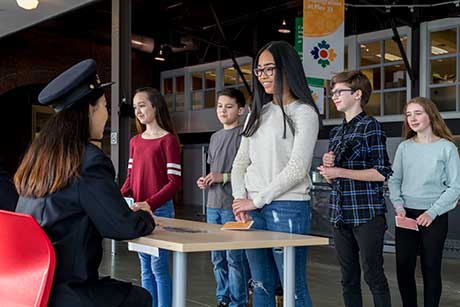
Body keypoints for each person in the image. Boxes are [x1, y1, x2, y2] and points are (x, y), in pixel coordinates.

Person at [14, 59, 155, 307]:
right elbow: (122, 227)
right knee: (139, 299)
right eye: (103, 106)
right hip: (66, 290)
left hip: (29, 285)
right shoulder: (88, 161)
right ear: (88, 110)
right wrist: (145, 216)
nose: (106, 114)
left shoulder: (38, 157)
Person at [231, 40, 320, 307]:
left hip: (289, 208)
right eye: (259, 70)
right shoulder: (256, 114)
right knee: (260, 286)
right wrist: (239, 201)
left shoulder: (304, 113)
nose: (263, 76)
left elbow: (297, 169)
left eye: (270, 69)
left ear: (287, 68)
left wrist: (256, 201)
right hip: (251, 209)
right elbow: (239, 164)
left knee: (293, 289)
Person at [317, 70, 392, 307]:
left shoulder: (371, 127)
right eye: (333, 93)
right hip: (340, 215)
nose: (334, 97)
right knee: (348, 279)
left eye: (340, 92)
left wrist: (339, 171)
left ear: (357, 94)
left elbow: (381, 173)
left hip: (367, 215)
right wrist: (329, 170)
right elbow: (333, 180)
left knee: (373, 276)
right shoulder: (337, 132)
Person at [388, 97, 460, 307]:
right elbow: (395, 179)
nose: (413, 118)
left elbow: (455, 186)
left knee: (431, 267)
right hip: (406, 215)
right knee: (403, 266)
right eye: (408, 114)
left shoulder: (447, 148)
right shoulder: (404, 147)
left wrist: (432, 212)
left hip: (433, 216)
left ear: (430, 114)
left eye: (418, 113)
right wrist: (399, 205)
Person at [121, 87, 181, 307]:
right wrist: (118, 198)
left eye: (142, 105)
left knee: (159, 268)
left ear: (155, 106)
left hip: (159, 212)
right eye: (135, 107)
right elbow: (129, 178)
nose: (138, 111)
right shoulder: (135, 141)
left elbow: (174, 182)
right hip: (138, 212)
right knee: (145, 268)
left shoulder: (168, 140)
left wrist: (150, 203)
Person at [196, 88, 248, 307]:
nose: (223, 110)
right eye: (219, 106)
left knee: (234, 258)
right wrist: (205, 180)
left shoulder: (244, 136)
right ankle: (223, 298)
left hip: (232, 206)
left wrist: (223, 177)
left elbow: (248, 171)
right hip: (212, 205)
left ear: (241, 110)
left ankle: (239, 301)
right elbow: (213, 171)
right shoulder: (215, 137)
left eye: (229, 106)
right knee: (217, 257)